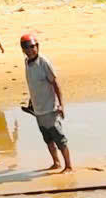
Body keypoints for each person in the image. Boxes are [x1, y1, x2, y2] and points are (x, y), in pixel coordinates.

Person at [20, 32, 72, 172]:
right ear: (23, 50)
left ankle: (68, 166)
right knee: (48, 139)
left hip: (50, 109)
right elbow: (33, 84)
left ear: (37, 46)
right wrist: (31, 101)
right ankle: (56, 163)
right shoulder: (27, 63)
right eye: (26, 47)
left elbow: (55, 84)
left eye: (32, 46)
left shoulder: (44, 63)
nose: (30, 50)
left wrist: (61, 105)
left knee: (60, 139)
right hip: (38, 110)